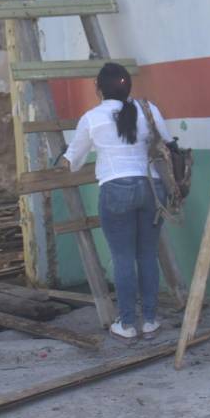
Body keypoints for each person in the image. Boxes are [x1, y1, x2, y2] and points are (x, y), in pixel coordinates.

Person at [59, 62, 171, 341]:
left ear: (98, 89)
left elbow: (71, 161)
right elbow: (168, 144)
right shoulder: (149, 110)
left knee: (123, 258)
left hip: (116, 188)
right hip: (152, 187)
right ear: (128, 86)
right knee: (147, 254)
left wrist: (60, 161)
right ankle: (150, 320)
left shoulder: (92, 118)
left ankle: (127, 323)